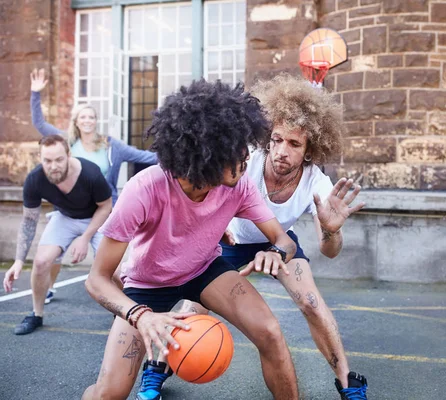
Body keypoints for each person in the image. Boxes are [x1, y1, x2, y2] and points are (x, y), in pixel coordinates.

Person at [135, 74, 368, 400]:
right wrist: (213, 226)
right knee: (192, 308)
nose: (282, 151)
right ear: (267, 139)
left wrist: (331, 228)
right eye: (277, 139)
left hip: (277, 242)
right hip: (229, 240)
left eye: (294, 144)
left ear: (310, 150)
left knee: (312, 302)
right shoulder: (245, 161)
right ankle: (156, 368)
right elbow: (205, 196)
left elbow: (330, 251)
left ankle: (347, 381)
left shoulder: (317, 183)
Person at [82, 79, 300, 400]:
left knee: (269, 332)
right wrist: (140, 315)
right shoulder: (145, 189)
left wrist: (277, 252)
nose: (246, 156)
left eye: (244, 144)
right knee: (109, 393)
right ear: (203, 152)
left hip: (204, 270)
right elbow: (96, 279)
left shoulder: (238, 186)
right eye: (234, 148)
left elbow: (284, 239)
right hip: (147, 287)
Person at [30, 68, 157, 303]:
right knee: (52, 256)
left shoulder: (111, 146)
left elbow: (145, 157)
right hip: (70, 210)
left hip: (103, 210)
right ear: (76, 122)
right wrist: (35, 94)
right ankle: (48, 287)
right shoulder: (66, 142)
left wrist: (179, 153)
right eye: (83, 117)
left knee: (113, 263)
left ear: (96, 121)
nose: (88, 120)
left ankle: (128, 303)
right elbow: (39, 123)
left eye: (91, 117)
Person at [3, 134, 112, 335]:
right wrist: (18, 260)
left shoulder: (90, 173)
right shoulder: (35, 179)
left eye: (59, 159)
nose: (54, 166)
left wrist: (85, 237)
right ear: (40, 158)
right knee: (41, 262)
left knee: (116, 269)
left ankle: (121, 314)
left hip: (96, 218)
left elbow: (106, 207)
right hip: (65, 218)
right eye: (48, 160)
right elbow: (28, 221)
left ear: (69, 155)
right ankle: (36, 314)